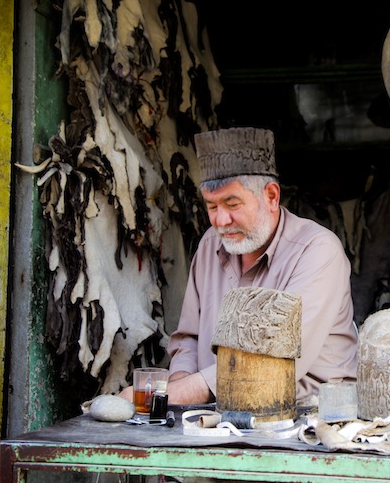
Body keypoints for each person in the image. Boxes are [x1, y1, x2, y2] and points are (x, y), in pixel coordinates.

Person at [124, 127, 358, 405]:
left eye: (232, 204)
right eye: (211, 207)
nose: (221, 221)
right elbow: (188, 338)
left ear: (271, 196)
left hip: (306, 419)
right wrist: (177, 393)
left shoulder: (318, 251)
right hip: (216, 415)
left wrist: (164, 395)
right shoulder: (211, 244)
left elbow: (269, 365)